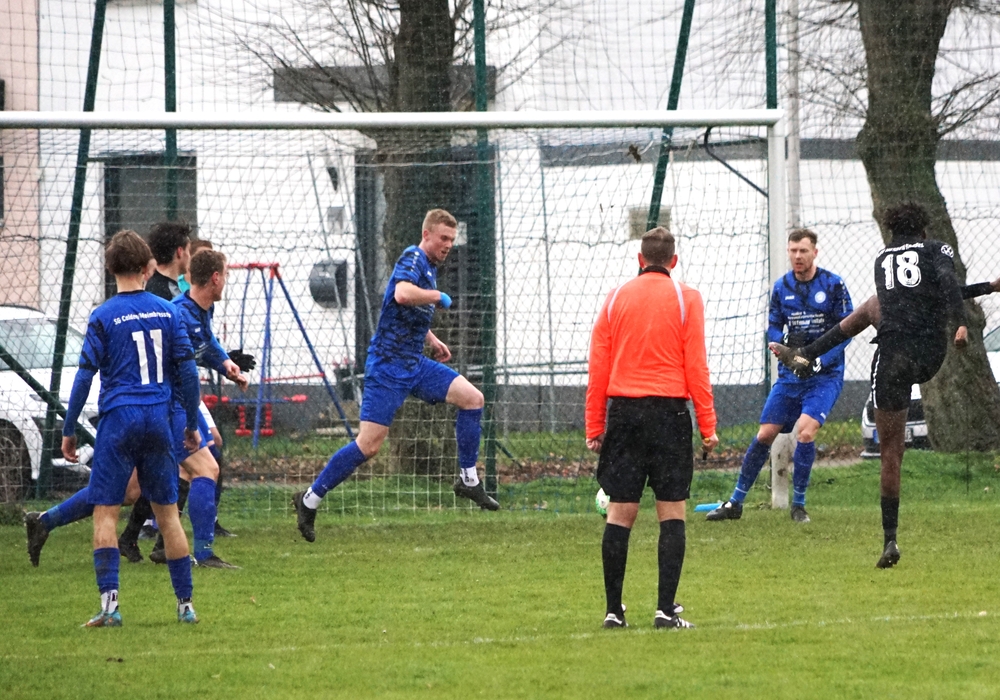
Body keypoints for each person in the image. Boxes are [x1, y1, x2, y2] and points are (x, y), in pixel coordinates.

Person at [771, 203, 986, 568]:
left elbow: (905, 298)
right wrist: (966, 316)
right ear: (923, 230)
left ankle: (890, 540)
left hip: (892, 359)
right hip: (928, 354)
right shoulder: (936, 248)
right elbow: (945, 285)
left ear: (891, 233)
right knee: (878, 307)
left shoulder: (882, 260)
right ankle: (806, 354)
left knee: (891, 454)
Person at [292, 208, 499, 541]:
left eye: (452, 239)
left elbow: (402, 308)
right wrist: (437, 296)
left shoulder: (428, 268)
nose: (448, 244)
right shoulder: (413, 257)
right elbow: (402, 293)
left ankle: (468, 479)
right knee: (369, 445)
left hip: (414, 364)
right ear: (427, 235)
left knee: (472, 398)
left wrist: (431, 339)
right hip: (387, 367)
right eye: (443, 238)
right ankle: (309, 499)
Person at [60, 230, 203, 625]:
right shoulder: (169, 312)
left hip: (119, 419)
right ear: (147, 268)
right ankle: (186, 607)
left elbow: (84, 376)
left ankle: (110, 609)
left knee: (105, 514)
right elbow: (189, 372)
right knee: (168, 515)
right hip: (158, 418)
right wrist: (191, 423)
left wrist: (70, 429)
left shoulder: (103, 316)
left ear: (111, 270)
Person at [586, 227, 719, 630]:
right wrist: (708, 425)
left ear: (640, 259)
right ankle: (664, 611)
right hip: (669, 415)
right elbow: (696, 365)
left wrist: (595, 425)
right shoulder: (686, 298)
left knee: (619, 514)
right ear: (673, 261)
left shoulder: (615, 298)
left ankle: (613, 612)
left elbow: (598, 366)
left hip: (624, 414)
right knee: (672, 512)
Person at [706, 229, 853, 524]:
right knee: (765, 434)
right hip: (791, 376)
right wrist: (780, 345)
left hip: (824, 376)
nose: (797, 256)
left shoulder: (833, 284)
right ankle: (735, 502)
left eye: (803, 251)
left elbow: (847, 330)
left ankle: (798, 505)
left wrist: (821, 360)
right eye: (793, 251)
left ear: (815, 253)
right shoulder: (781, 287)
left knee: (806, 432)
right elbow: (773, 326)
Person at [147, 248, 249, 568]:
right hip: (167, 404)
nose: (226, 281)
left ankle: (164, 544)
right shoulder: (179, 314)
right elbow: (183, 370)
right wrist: (191, 421)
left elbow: (208, 341)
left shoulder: (202, 309)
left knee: (193, 466)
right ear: (215, 278)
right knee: (205, 469)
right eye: (226, 275)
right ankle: (204, 554)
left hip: (180, 402)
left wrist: (226, 364)